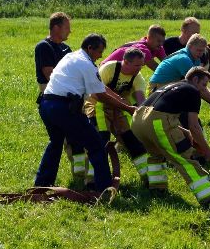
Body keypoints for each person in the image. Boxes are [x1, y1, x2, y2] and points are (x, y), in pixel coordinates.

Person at [35, 33, 136, 194]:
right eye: (99, 51)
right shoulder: (87, 65)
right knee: (96, 145)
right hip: (64, 108)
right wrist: (128, 108)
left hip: (46, 105)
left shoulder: (71, 57)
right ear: (90, 48)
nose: (101, 56)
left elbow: (100, 86)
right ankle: (103, 188)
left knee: (55, 144)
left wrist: (119, 99)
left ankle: (41, 184)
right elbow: (100, 95)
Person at [131, 67, 210, 211]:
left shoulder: (171, 85)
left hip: (138, 122)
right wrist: (207, 150)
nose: (204, 90)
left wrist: (182, 131)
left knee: (156, 155)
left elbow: (159, 112)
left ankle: (157, 190)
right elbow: (194, 126)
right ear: (195, 80)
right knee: (184, 159)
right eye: (204, 85)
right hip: (156, 123)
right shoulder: (192, 91)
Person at [84, 47, 150, 183]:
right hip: (98, 106)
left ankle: (148, 177)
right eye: (137, 65)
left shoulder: (137, 77)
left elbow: (140, 98)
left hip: (120, 109)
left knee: (131, 140)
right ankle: (92, 180)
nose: (140, 69)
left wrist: (143, 113)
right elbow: (98, 91)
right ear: (125, 61)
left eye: (141, 65)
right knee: (101, 140)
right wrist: (123, 103)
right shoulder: (109, 69)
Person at [34, 12, 85, 178]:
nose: (70, 32)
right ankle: (45, 180)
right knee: (59, 140)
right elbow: (50, 75)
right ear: (56, 28)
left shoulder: (66, 49)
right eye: (67, 28)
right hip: (54, 99)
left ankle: (79, 175)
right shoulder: (44, 47)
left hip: (71, 97)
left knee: (75, 137)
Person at [150, 34, 210, 111]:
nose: (201, 54)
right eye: (198, 50)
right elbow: (200, 86)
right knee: (192, 94)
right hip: (157, 90)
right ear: (189, 46)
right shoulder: (183, 59)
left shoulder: (195, 59)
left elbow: (202, 84)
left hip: (168, 89)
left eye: (203, 51)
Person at [101, 24, 166, 71]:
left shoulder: (158, 47)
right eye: (158, 41)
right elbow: (156, 68)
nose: (161, 44)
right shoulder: (142, 49)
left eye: (162, 41)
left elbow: (167, 62)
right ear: (149, 38)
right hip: (106, 68)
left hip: (122, 71)